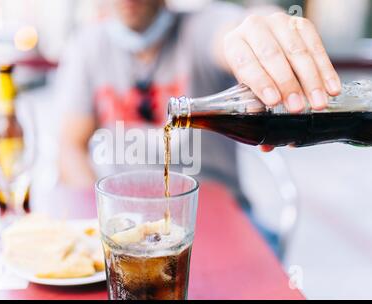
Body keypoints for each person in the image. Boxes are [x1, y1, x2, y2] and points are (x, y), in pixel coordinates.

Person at [56, 0, 341, 195]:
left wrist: (265, 30)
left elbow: (237, 29)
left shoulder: (200, 27)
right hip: (129, 224)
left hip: (220, 219)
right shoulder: (87, 46)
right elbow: (70, 147)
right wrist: (106, 217)